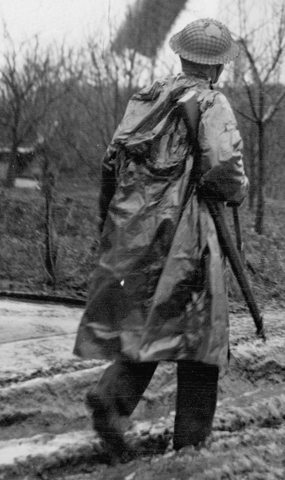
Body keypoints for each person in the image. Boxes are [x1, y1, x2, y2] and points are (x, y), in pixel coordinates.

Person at [73, 18, 249, 454]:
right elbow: (225, 169)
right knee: (199, 336)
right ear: (218, 67)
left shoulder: (145, 98)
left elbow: (110, 163)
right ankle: (190, 446)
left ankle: (112, 397)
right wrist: (239, 192)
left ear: (182, 55)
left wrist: (112, 222)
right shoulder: (211, 101)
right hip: (189, 233)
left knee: (150, 324)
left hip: (136, 228)